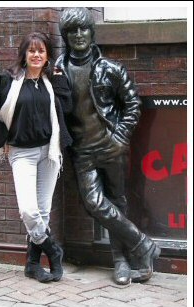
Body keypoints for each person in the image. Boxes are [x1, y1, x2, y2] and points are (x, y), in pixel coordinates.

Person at [55, 7, 161, 285]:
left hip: (111, 146)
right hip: (81, 151)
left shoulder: (110, 69)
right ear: (65, 36)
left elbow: (133, 104)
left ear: (92, 31)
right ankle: (142, 243)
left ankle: (122, 261)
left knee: (117, 202)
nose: (78, 35)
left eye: (83, 29)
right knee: (93, 202)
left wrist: (121, 137)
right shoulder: (58, 70)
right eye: (72, 31)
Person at [0, 32, 73, 283]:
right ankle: (53, 250)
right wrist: (3, 139)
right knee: (28, 211)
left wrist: (61, 80)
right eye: (32, 50)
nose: (36, 55)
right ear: (24, 54)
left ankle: (32, 265)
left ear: (47, 56)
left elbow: (68, 108)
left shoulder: (51, 81)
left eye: (41, 51)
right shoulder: (9, 80)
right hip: (22, 153)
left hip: (49, 152)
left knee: (42, 211)